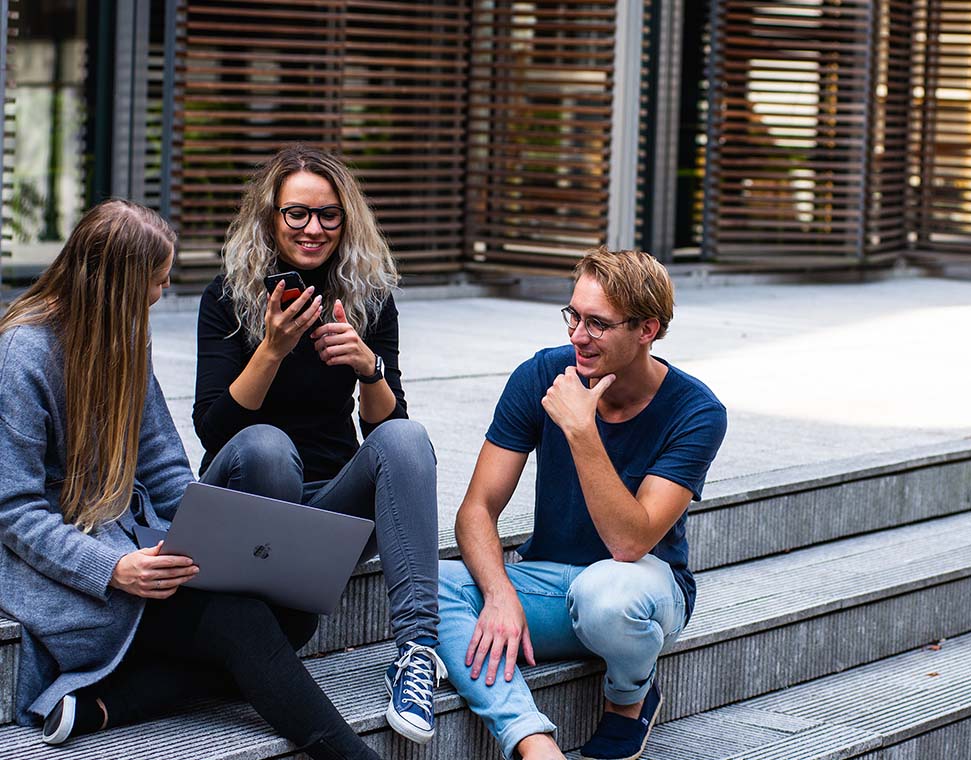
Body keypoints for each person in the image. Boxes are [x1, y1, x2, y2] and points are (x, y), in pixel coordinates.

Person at [0, 199, 380, 759]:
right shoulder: (23, 354)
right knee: (242, 622)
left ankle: (111, 704)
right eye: (157, 280)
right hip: (69, 567)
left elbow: (164, 467)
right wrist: (114, 569)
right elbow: (15, 511)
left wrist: (217, 535)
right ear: (116, 283)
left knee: (293, 610)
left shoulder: (126, 336)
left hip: (139, 545)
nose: (163, 291)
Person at [193, 144, 443, 744]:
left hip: (328, 511)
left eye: (328, 215)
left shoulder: (368, 296)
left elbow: (388, 433)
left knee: (408, 439)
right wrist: (272, 349)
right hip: (249, 498)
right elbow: (214, 429)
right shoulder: (227, 297)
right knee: (268, 447)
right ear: (270, 218)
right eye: (296, 214)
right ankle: (260, 635)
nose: (313, 229)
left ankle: (416, 655)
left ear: (346, 218)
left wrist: (369, 368)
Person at [436, 247, 728, 760]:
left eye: (597, 323)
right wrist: (500, 594)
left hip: (641, 590)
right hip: (548, 581)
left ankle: (628, 699)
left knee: (606, 594)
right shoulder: (543, 374)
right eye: (573, 315)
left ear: (647, 329)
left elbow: (630, 541)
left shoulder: (696, 411)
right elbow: (476, 509)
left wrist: (580, 429)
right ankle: (531, 739)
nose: (576, 336)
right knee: (429, 584)